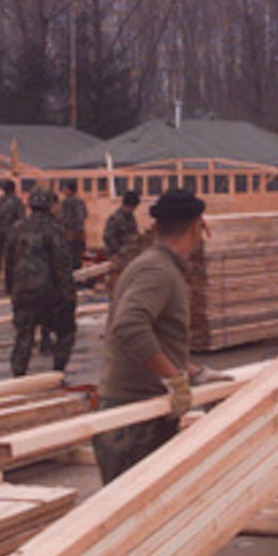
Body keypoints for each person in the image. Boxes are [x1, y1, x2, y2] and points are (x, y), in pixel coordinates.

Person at [91, 189, 232, 485]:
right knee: (133, 517)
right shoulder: (157, 270)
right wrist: (173, 378)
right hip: (132, 419)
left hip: (140, 413)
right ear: (197, 227)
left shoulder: (155, 265)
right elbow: (129, 325)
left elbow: (156, 336)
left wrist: (193, 373)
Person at [5, 188, 77, 378]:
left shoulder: (16, 227)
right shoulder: (54, 229)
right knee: (66, 332)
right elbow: (61, 264)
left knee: (23, 336)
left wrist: (10, 289)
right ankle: (58, 373)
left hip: (22, 293)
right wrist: (69, 295)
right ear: (50, 207)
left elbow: (8, 261)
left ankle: (17, 376)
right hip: (48, 294)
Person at [0, 180, 25, 282]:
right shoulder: (7, 200)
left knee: (7, 255)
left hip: (8, 231)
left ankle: (4, 277)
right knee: (1, 254)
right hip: (4, 230)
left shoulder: (11, 201)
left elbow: (21, 219)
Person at [103, 190, 141, 259]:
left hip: (128, 253)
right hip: (117, 254)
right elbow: (109, 237)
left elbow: (134, 233)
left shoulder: (130, 218)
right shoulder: (115, 219)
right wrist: (116, 252)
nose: (134, 210)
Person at [60, 181, 88, 270]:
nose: (63, 191)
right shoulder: (80, 201)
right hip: (79, 234)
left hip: (70, 234)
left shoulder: (66, 202)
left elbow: (63, 218)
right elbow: (85, 214)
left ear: (69, 190)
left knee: (69, 259)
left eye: (65, 189)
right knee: (78, 258)